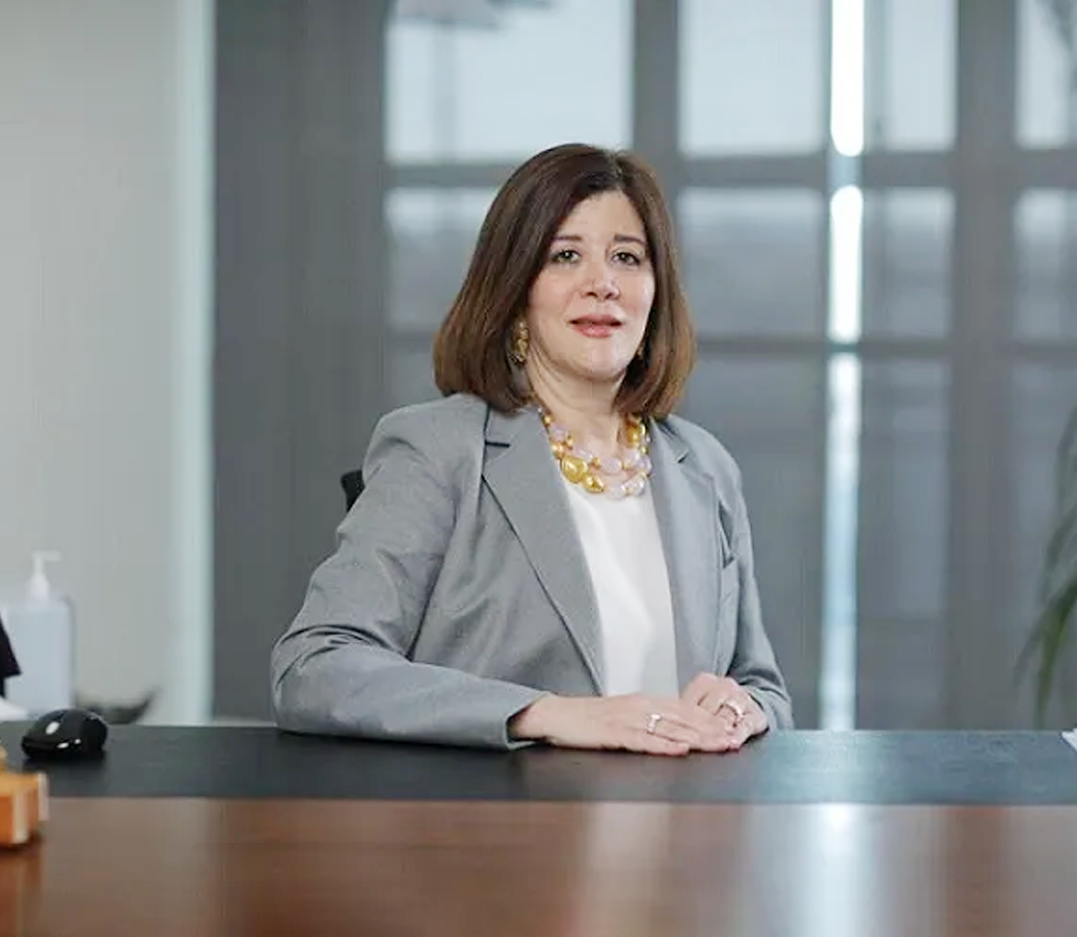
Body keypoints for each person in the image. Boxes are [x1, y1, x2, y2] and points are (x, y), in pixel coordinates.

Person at [270, 143, 793, 754]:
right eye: (565, 256)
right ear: (517, 290)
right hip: (499, 811)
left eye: (627, 257)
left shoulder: (705, 467)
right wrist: (544, 714)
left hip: (683, 812)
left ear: (655, 293)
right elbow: (313, 666)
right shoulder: (439, 451)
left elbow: (763, 686)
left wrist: (746, 709)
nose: (602, 284)